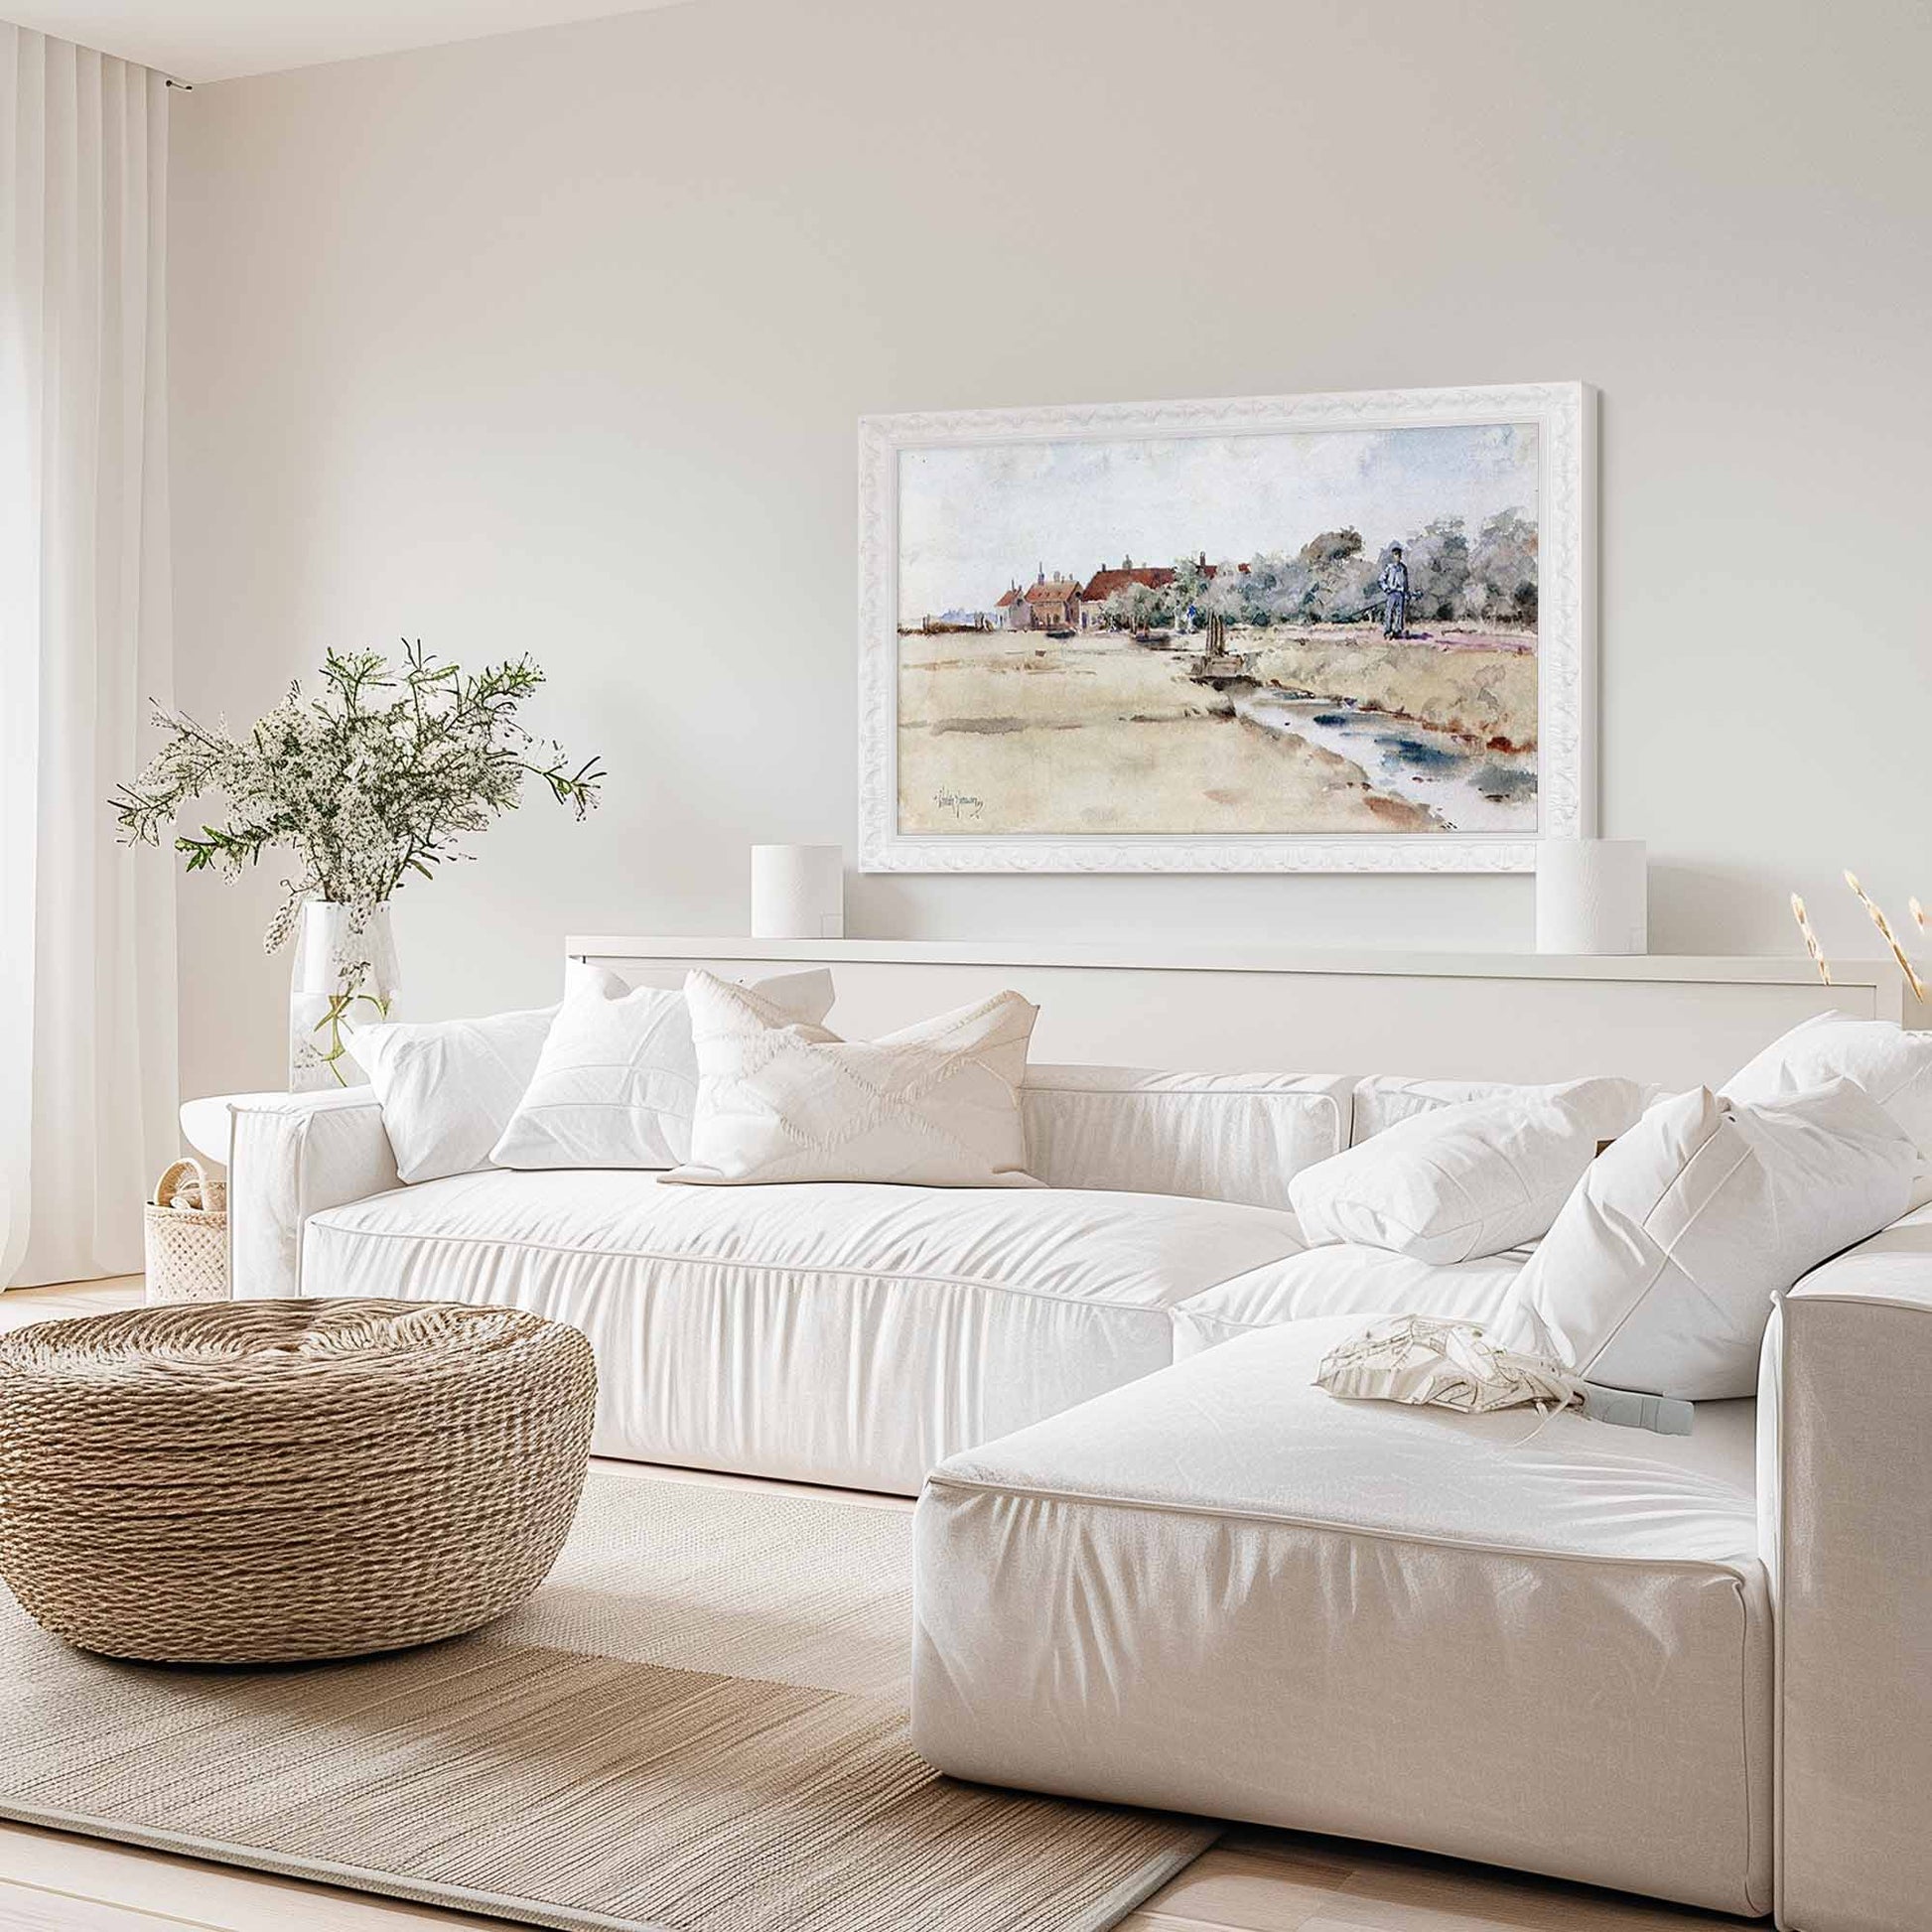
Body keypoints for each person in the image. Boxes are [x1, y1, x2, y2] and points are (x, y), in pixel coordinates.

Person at [1379, 544, 1410, 638]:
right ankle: (1387, 631)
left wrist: (1406, 593)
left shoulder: (1403, 568)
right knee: (1389, 612)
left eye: (1399, 554)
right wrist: (1386, 588)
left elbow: (1406, 582)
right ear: (1393, 556)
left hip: (1400, 593)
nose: (1398, 556)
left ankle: (1397, 631)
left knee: (1399, 612)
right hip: (1391, 593)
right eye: (1396, 554)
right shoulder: (1389, 567)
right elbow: (1381, 579)